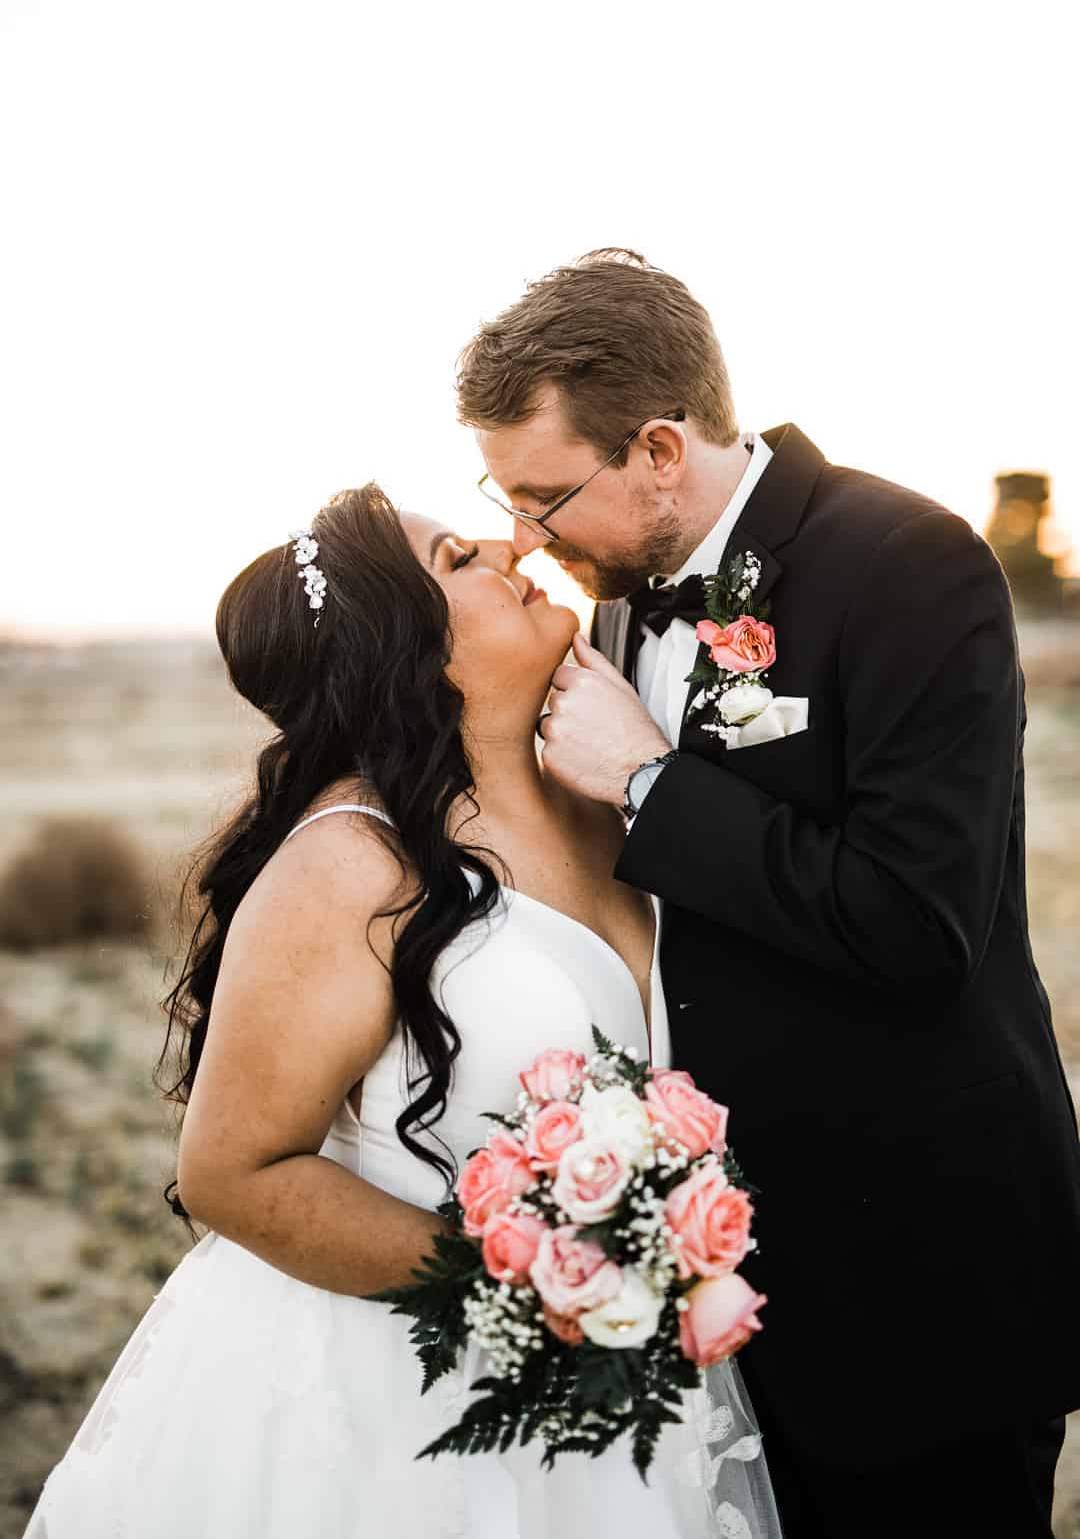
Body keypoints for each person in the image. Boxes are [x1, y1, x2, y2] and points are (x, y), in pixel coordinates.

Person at [458, 247, 1080, 1539]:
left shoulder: (913, 567)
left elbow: (920, 925)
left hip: (918, 1276)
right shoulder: (623, 608)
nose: (528, 537)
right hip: (722, 1285)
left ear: (660, 450)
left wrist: (649, 783)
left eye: (545, 496)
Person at [23, 483, 781, 1539]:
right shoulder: (350, 864)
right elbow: (233, 1173)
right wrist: (528, 1284)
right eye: (461, 558)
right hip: (399, 1406)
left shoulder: (612, 794)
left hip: (627, 1384)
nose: (513, 546)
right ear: (409, 649)